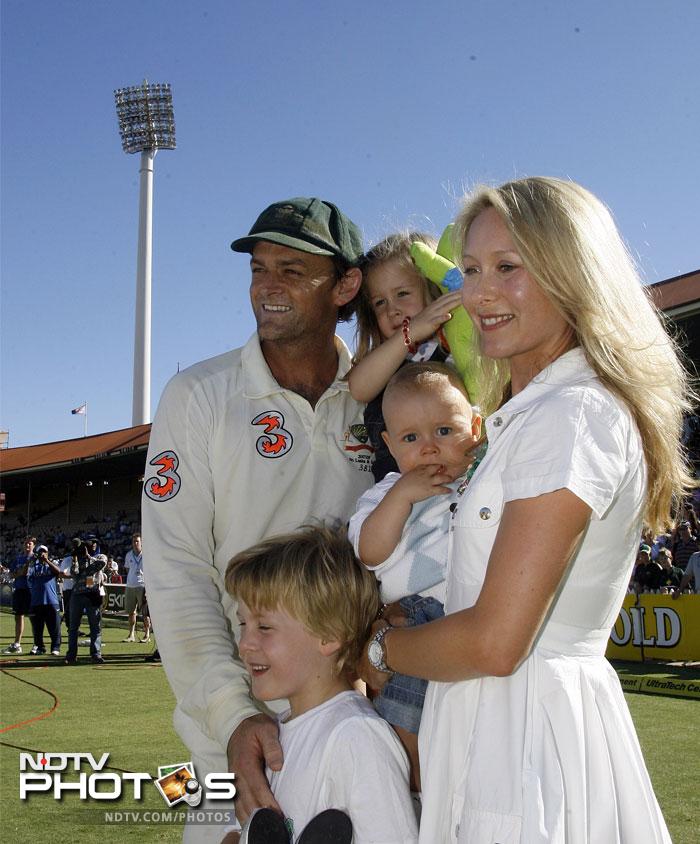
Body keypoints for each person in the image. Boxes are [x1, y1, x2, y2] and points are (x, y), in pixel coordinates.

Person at [359, 177, 691, 842]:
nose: (479, 294)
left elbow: (494, 641)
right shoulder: (536, 411)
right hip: (505, 726)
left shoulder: (569, 415)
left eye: (509, 268)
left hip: (522, 740)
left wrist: (377, 649)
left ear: (572, 273)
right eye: (472, 269)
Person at [142, 197, 372, 840]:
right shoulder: (198, 396)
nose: (267, 287)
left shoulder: (382, 400)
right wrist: (233, 714)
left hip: (361, 720)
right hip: (238, 743)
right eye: (258, 269)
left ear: (345, 285)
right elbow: (177, 573)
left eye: (292, 271)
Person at [222, 525, 418, 844]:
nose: (245, 643)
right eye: (243, 623)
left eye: (265, 627)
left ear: (329, 634)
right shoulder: (272, 736)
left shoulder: (356, 737)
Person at [348, 362, 482, 791]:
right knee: (406, 730)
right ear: (388, 443)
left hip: (472, 614)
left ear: (476, 427)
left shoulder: (481, 480)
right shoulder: (385, 493)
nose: (429, 448)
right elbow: (370, 550)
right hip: (414, 618)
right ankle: (412, 796)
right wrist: (402, 498)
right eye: (411, 438)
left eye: (445, 431)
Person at [348, 232, 463, 481]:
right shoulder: (386, 362)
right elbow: (359, 388)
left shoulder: (456, 349)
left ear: (432, 288)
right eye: (380, 303)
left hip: (455, 483)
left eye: (402, 294)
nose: (392, 309)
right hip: (395, 487)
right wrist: (408, 335)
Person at [65, 540, 106, 665]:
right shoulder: (77, 558)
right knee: (73, 627)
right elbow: (74, 573)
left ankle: (96, 654)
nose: (92, 546)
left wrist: (89, 557)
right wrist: (75, 558)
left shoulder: (98, 557)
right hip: (77, 595)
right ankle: (71, 655)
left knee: (95, 627)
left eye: (93, 544)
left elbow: (101, 564)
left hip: (92, 594)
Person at [27, 545, 63, 656]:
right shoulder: (33, 566)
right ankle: (40, 647)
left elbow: (59, 572)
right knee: (37, 628)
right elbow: (29, 578)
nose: (43, 554)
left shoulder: (51, 565)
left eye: (45, 552)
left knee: (55, 627)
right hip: (37, 601)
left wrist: (47, 561)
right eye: (40, 552)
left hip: (51, 600)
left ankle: (55, 647)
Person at [2, 535, 36, 654]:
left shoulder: (35, 558)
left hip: (31, 590)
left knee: (33, 618)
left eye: (29, 544)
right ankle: (17, 644)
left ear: (33, 545)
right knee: (18, 616)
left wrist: (19, 573)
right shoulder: (18, 558)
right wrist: (18, 573)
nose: (27, 545)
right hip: (19, 589)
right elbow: (12, 574)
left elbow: (25, 572)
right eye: (26, 543)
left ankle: (36, 644)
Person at [123, 533, 150, 642]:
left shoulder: (147, 555)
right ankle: (131, 635)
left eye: (137, 541)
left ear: (141, 542)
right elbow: (127, 569)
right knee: (131, 612)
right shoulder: (129, 555)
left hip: (142, 586)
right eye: (133, 541)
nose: (135, 543)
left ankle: (147, 634)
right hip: (130, 586)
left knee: (145, 612)